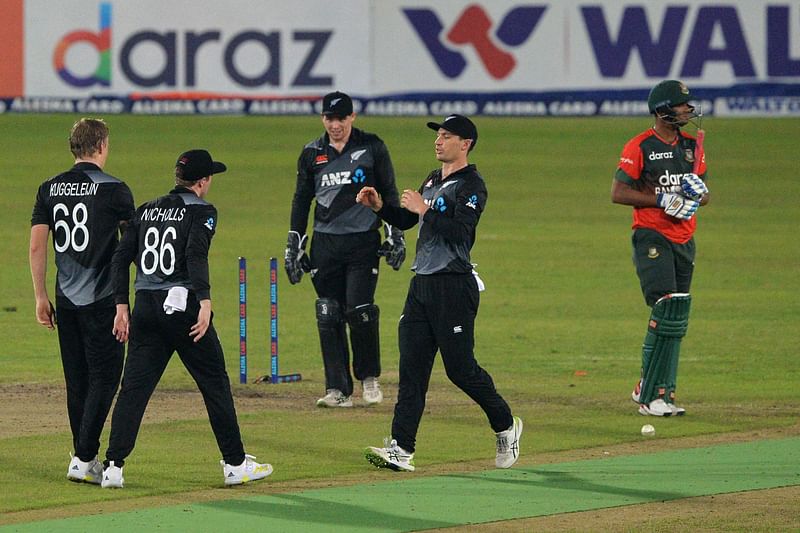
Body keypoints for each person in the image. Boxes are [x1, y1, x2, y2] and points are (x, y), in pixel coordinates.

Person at [356, 114, 522, 472]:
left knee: (460, 370)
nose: (439, 141)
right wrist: (381, 208)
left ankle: (506, 424)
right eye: (438, 135)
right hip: (422, 285)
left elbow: (460, 232)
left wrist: (425, 209)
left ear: (466, 144)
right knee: (412, 369)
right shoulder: (433, 179)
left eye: (447, 136)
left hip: (453, 286)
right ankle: (402, 448)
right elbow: (408, 220)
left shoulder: (472, 185)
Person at [101, 149, 271, 488]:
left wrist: (122, 305)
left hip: (145, 308)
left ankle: (113, 467)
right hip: (184, 308)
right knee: (214, 383)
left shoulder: (147, 209)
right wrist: (205, 301)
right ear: (203, 181)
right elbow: (195, 253)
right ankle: (235, 464)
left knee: (133, 389)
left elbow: (120, 259)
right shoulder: (203, 210)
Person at [29, 118, 135, 485]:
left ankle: (83, 457)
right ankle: (84, 454)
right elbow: (128, 251)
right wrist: (124, 301)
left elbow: (37, 244)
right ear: (102, 145)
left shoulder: (48, 189)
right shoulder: (116, 190)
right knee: (106, 378)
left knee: (77, 380)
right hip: (103, 300)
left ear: (74, 147)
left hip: (66, 298)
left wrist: (40, 295)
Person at [285, 91, 406, 408]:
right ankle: (338, 389)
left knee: (360, 310)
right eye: (329, 118)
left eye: (341, 118)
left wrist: (395, 232)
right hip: (326, 243)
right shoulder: (312, 152)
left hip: (363, 240)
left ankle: (369, 378)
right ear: (322, 118)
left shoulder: (372, 147)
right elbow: (302, 199)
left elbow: (388, 191)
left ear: (352, 117)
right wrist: (294, 243)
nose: (335, 125)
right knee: (329, 312)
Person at [611, 80, 710, 417]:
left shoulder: (691, 147)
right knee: (666, 308)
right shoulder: (641, 146)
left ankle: (655, 389)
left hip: (685, 237)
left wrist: (698, 194)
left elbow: (705, 193)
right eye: (682, 105)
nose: (688, 110)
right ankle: (653, 396)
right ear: (663, 110)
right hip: (651, 234)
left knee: (676, 315)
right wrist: (661, 198)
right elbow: (618, 193)